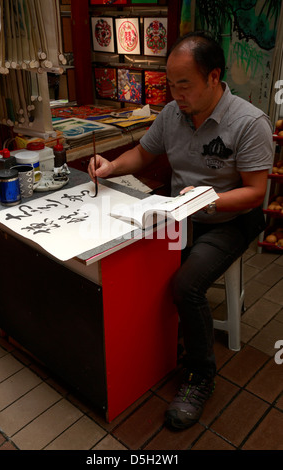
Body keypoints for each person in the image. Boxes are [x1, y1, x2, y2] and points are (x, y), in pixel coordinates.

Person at [88, 31, 273, 430]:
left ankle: (199, 375)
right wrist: (110, 166)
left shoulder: (248, 123)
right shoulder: (173, 114)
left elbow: (256, 193)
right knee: (131, 259)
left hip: (229, 219)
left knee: (186, 285)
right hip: (178, 215)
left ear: (213, 77)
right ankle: (154, 349)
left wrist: (206, 199)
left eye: (184, 84)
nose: (175, 94)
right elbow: (143, 152)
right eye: (170, 84)